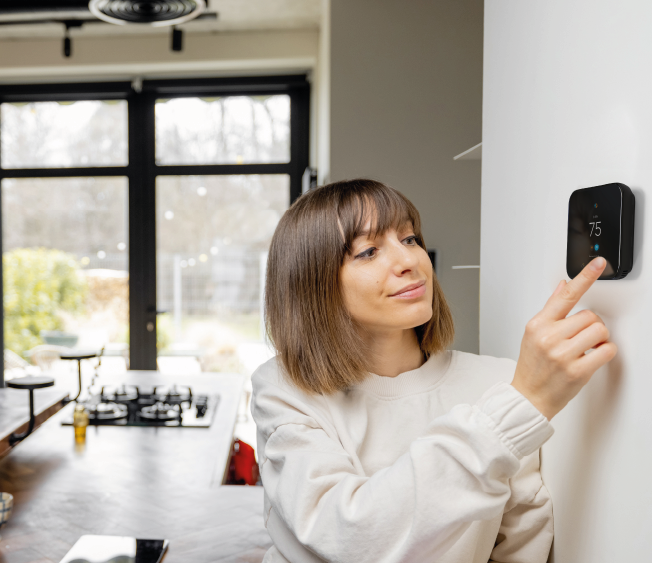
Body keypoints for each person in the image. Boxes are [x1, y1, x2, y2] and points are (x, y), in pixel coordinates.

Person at [252, 179, 617, 563]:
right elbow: (352, 538)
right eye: (368, 251)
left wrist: (521, 398)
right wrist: (519, 407)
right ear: (313, 283)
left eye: (409, 239)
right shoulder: (284, 388)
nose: (410, 261)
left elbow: (523, 535)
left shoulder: (500, 381)